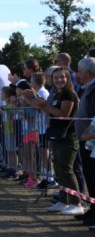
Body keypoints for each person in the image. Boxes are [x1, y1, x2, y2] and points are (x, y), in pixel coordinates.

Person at [32, 67, 83, 215]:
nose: (59, 80)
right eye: (56, 78)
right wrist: (37, 104)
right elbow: (49, 110)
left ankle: (77, 203)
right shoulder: (56, 93)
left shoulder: (68, 94)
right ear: (51, 80)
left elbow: (63, 114)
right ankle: (63, 201)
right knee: (59, 169)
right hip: (56, 135)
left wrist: (45, 106)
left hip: (68, 136)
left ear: (67, 78)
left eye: (62, 77)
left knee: (66, 169)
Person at [74, 57, 95, 227]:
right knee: (89, 174)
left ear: (87, 73)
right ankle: (93, 209)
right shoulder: (88, 87)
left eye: (80, 71)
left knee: (93, 175)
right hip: (85, 139)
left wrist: (88, 135)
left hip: (91, 141)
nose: (78, 75)